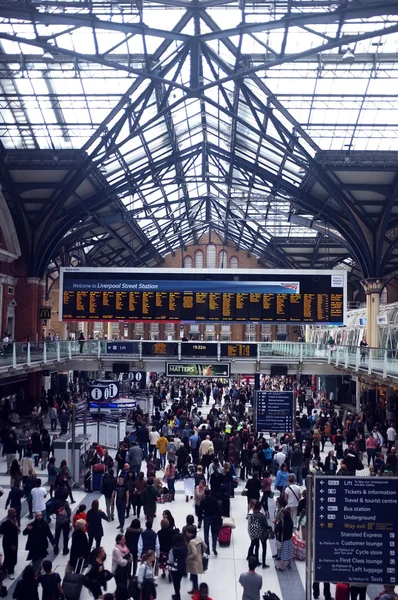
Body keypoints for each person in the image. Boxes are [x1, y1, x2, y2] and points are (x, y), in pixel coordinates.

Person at [186, 524, 208, 595]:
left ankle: (195, 592)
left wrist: (189, 557)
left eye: (188, 532)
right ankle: (194, 590)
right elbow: (205, 546)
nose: (187, 533)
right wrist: (201, 553)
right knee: (195, 577)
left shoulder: (191, 542)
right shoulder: (199, 538)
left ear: (192, 533)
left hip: (193, 562)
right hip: (199, 560)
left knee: (194, 578)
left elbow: (194, 553)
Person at [247, 501, 269, 569]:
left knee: (257, 547)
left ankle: (257, 561)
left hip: (255, 533)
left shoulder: (252, 514)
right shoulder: (262, 516)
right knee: (264, 548)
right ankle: (264, 563)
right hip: (262, 534)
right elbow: (266, 525)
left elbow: (250, 524)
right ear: (260, 507)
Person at [200, 488, 222, 556]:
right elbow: (218, 510)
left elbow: (200, 511)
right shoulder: (214, 500)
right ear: (210, 493)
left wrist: (200, 519)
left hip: (206, 517)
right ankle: (214, 547)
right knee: (214, 533)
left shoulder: (203, 501)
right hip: (213, 518)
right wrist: (219, 517)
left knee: (206, 534)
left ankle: (207, 549)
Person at [0, 508, 19, 579]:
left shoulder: (14, 520)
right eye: (13, 513)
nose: (15, 514)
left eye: (15, 512)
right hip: (8, 543)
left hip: (15, 541)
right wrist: (12, 545)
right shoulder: (6, 523)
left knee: (12, 556)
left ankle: (5, 566)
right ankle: (10, 571)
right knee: (10, 556)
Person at [168, 533, 188, 600]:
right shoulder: (185, 548)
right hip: (182, 568)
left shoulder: (172, 550)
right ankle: (177, 594)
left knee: (175, 583)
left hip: (175, 569)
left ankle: (177, 596)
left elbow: (171, 560)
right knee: (178, 581)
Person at [275, 506, 294, 571]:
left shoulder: (282, 521)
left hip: (284, 539)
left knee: (284, 554)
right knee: (290, 552)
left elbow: (277, 529)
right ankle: (289, 564)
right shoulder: (291, 521)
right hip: (290, 539)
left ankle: (281, 567)